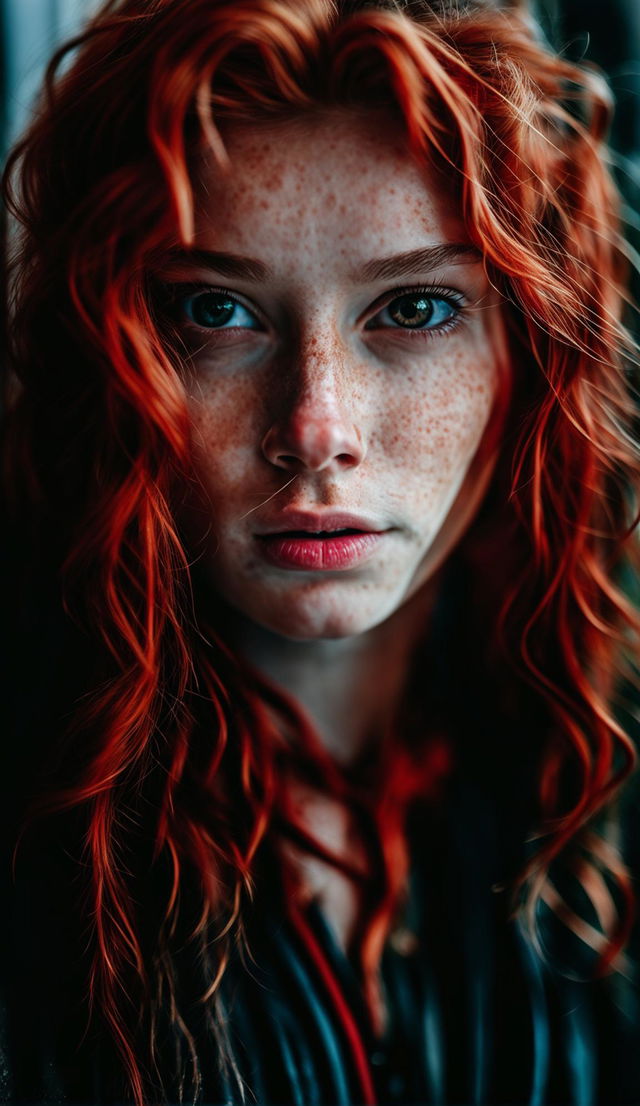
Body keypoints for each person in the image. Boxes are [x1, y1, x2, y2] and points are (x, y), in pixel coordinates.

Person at [2, 0, 640, 1102]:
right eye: (216, 309)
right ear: (110, 348)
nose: (314, 426)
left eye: (417, 307)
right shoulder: (29, 810)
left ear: (526, 352)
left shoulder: (589, 753)